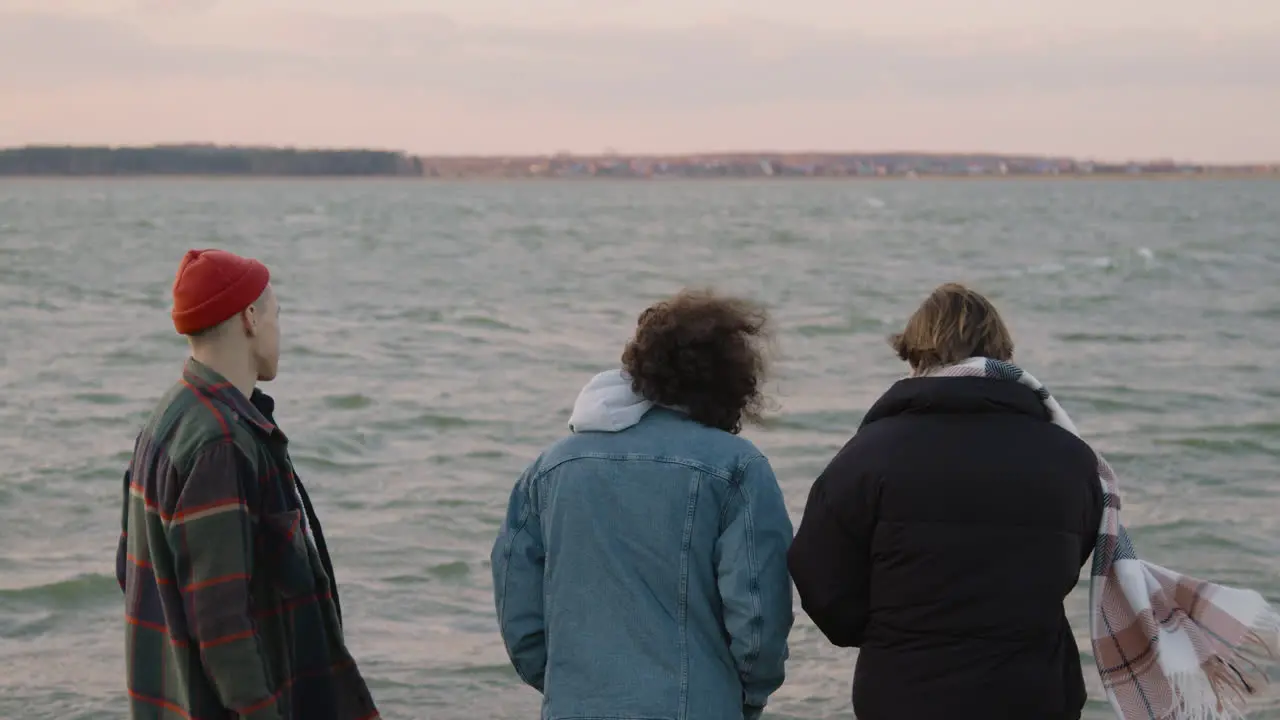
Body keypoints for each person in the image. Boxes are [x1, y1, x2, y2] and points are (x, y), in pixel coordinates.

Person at [789, 282, 1280, 720]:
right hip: (1033, 691)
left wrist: (885, 632)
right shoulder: (1072, 459)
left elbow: (818, 571)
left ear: (918, 355)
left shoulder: (870, 454)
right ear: (1001, 355)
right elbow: (1065, 565)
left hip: (902, 692)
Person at [491, 289, 794, 720]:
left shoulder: (551, 466)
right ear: (731, 382)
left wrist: (565, 680)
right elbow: (758, 616)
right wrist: (747, 694)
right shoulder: (738, 468)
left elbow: (516, 604)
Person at [115, 249, 378, 720]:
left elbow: (129, 572)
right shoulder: (220, 442)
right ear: (250, 318)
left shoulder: (165, 420)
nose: (280, 329)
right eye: (277, 314)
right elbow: (221, 626)